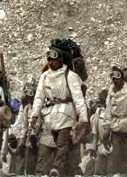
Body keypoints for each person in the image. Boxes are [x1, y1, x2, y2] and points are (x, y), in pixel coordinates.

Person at [30, 46, 89, 177]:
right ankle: (70, 173)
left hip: (67, 114)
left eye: (54, 60)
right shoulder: (44, 76)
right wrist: (34, 115)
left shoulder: (70, 76)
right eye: (49, 60)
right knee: (63, 148)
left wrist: (83, 118)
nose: (51, 62)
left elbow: (78, 98)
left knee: (62, 144)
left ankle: (56, 169)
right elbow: (39, 97)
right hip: (51, 117)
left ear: (60, 60)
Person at [6, 81, 38, 175]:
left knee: (27, 163)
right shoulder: (24, 108)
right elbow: (20, 123)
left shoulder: (36, 107)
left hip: (32, 137)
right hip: (22, 136)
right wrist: (15, 135)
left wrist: (21, 139)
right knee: (17, 162)